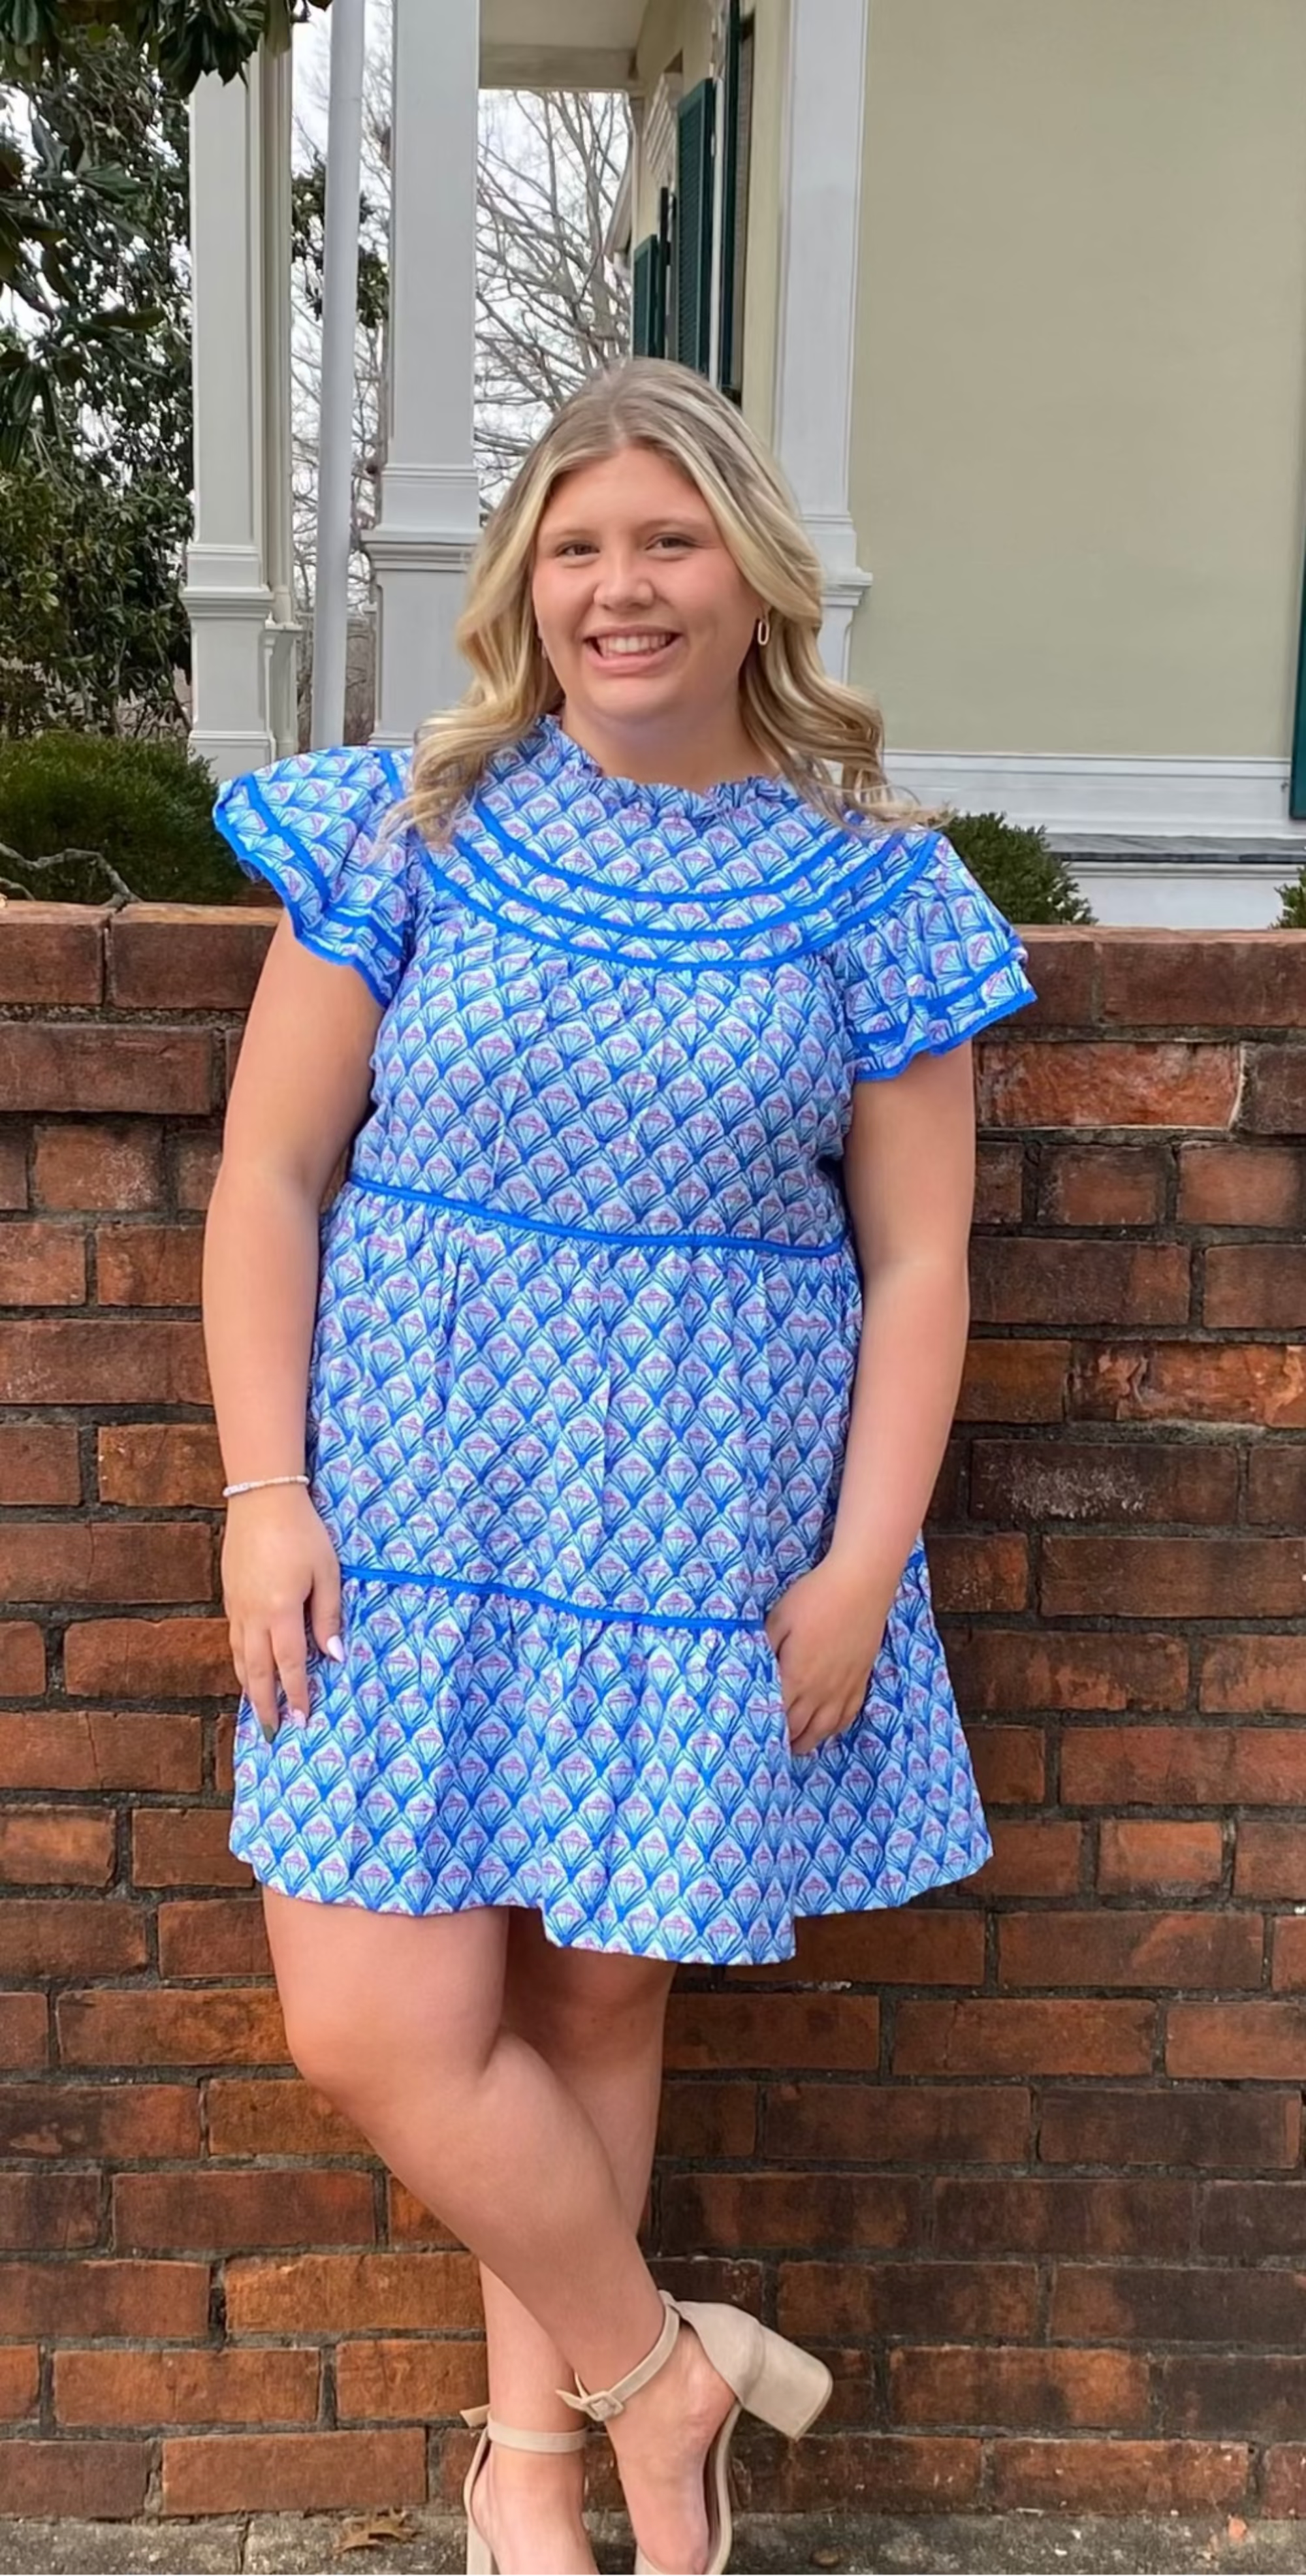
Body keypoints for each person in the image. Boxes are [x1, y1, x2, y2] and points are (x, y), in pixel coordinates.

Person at [203, 356, 1034, 2576]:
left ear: (751, 577)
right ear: (525, 583)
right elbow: (273, 1174)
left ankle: (543, 2473)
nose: (619, 589)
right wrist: (258, 1490)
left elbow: (925, 1258)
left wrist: (867, 1559)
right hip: (408, 1500)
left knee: (585, 1996)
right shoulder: (412, 821)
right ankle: (673, 2380)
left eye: (665, 543)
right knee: (378, 2020)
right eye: (578, 548)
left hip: (701, 1513)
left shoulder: (870, 884)